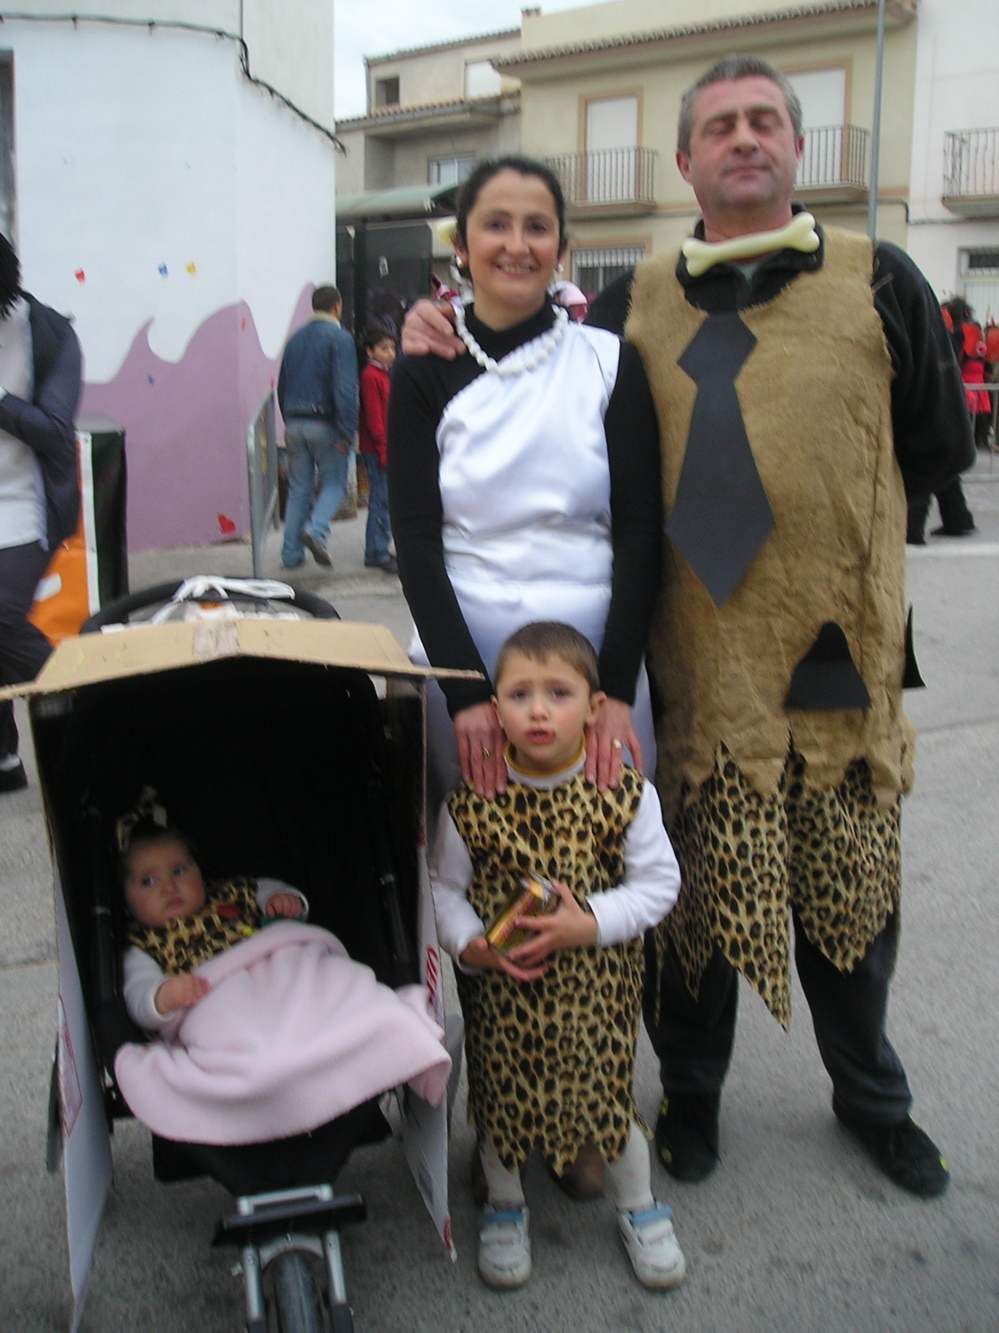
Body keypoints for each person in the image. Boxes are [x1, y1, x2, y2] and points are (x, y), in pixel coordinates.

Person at [402, 56, 975, 1201]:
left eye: (765, 120)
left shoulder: (885, 278)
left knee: (851, 896)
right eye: (720, 125)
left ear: (796, 146)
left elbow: (941, 450)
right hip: (694, 659)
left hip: (832, 660)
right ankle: (694, 1100)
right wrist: (438, 319)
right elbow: (527, 356)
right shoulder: (633, 304)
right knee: (697, 898)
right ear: (685, 161)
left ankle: (874, 1098)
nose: (744, 138)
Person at [431, 621, 684, 1292]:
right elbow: (444, 887)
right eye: (518, 693)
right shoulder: (472, 802)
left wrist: (592, 923)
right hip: (503, 995)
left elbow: (658, 884)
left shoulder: (625, 795)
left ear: (594, 708)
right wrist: (471, 944)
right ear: (493, 707)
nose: (537, 709)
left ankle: (639, 1207)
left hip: (596, 994)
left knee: (608, 1101)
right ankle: (505, 1205)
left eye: (557, 692)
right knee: (501, 1105)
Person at [0, 231, 82, 794]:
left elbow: (56, 434)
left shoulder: (48, 333)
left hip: (21, 510)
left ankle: (89, 704)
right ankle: (6, 760)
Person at [119, 820, 306, 1029]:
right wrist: (163, 997)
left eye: (179, 871)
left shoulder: (227, 894)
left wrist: (280, 899)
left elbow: (263, 888)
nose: (169, 887)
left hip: (273, 973)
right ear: (126, 902)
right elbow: (138, 991)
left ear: (199, 870)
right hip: (217, 1000)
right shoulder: (144, 945)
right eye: (148, 881)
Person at [277, 285, 358, 571]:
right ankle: (317, 530)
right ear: (337, 307)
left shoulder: (294, 340)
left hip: (295, 423)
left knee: (299, 488)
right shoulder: (340, 339)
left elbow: (282, 385)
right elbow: (345, 389)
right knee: (334, 485)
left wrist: (289, 422)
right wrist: (348, 432)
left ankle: (290, 555)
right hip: (327, 424)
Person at [358, 324, 398, 575]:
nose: (390, 353)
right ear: (370, 351)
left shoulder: (382, 375)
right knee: (381, 501)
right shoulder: (371, 377)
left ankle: (376, 549)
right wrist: (384, 449)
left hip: (383, 446)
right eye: (384, 349)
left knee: (381, 500)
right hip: (377, 448)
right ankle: (378, 551)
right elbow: (375, 418)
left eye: (393, 348)